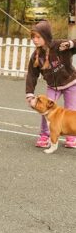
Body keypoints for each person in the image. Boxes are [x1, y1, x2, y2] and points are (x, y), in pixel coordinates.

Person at [25, 20, 76, 148]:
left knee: (71, 112)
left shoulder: (60, 46)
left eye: (38, 37)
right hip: (53, 87)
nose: (35, 40)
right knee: (44, 109)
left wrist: (71, 44)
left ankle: (71, 137)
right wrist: (29, 93)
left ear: (46, 36)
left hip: (71, 83)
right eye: (33, 37)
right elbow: (32, 75)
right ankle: (44, 135)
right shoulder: (35, 56)